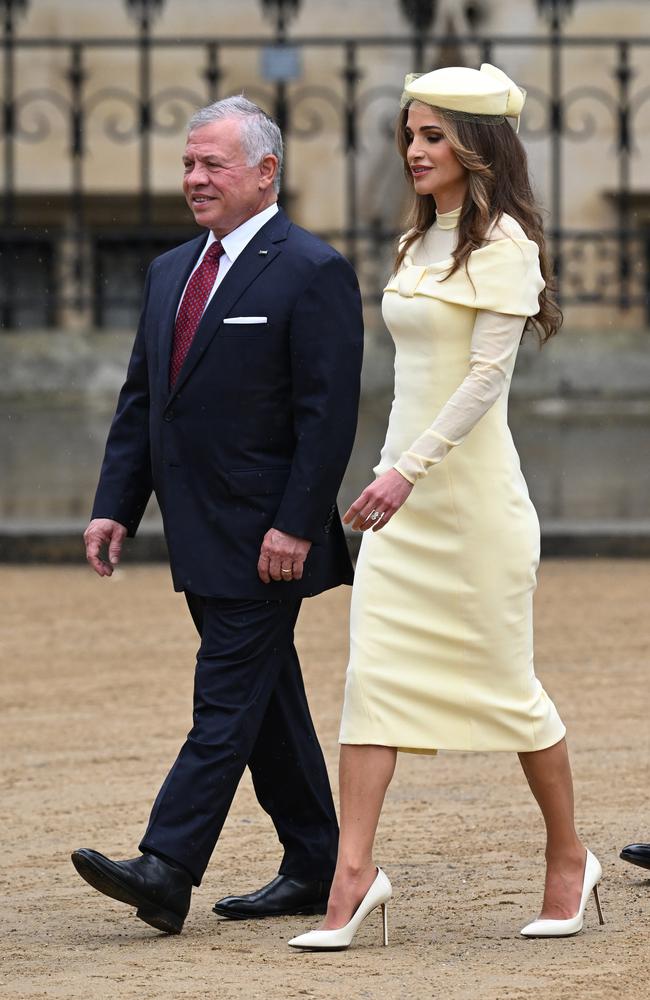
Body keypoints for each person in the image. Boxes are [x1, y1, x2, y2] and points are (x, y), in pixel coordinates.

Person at [289, 64, 604, 952]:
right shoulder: (412, 244)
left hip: (470, 509)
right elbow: (407, 381)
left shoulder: (506, 243)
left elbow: (484, 379)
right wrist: (391, 470)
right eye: (410, 134)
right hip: (403, 503)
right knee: (371, 680)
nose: (415, 150)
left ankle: (568, 858)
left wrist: (407, 471)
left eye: (433, 136)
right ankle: (353, 878)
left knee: (512, 691)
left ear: (476, 145)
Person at [71, 95, 363, 935]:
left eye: (213, 164)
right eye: (189, 164)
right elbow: (144, 403)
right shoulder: (169, 271)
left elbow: (326, 414)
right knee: (267, 699)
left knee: (226, 697)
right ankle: (314, 860)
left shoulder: (312, 269)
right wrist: (114, 507)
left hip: (272, 537)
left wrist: (298, 524)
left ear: (266, 172)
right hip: (196, 532)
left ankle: (167, 866)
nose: (194, 178)